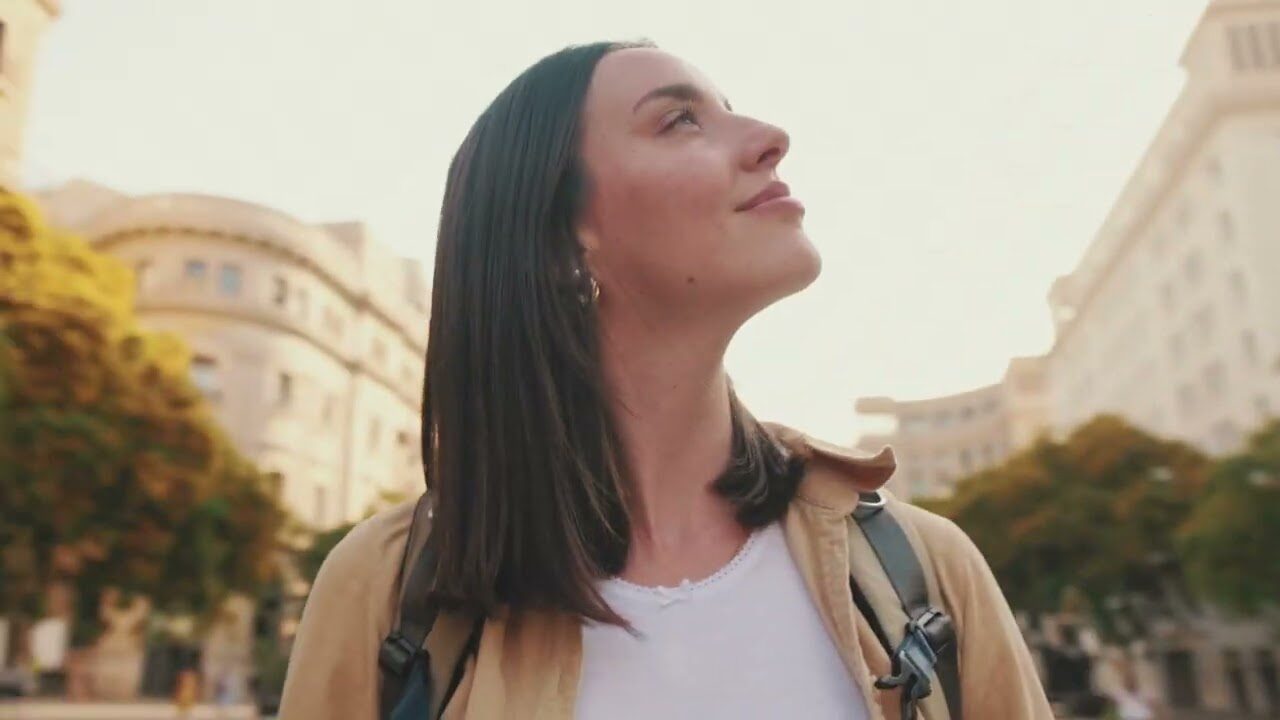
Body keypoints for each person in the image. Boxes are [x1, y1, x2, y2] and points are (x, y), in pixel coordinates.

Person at [279, 41, 1053, 719]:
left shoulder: (920, 572)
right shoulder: (392, 592)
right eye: (679, 120)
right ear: (561, 236)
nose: (771, 139)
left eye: (727, 109)